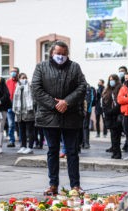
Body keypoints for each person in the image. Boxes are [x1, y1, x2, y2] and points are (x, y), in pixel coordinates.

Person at [32, 40, 87, 196]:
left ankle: (75, 186)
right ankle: (53, 184)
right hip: (49, 116)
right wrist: (54, 104)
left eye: (64, 54)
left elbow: (83, 86)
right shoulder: (41, 67)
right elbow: (36, 88)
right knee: (52, 150)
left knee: (72, 151)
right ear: (52, 53)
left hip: (71, 116)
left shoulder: (74, 67)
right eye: (58, 54)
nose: (61, 57)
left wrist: (66, 102)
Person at [13, 73, 35, 154]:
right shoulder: (17, 87)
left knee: (30, 131)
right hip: (19, 112)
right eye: (22, 78)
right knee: (21, 131)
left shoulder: (30, 86)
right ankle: (23, 146)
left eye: (25, 77)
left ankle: (30, 147)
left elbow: (34, 98)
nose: (24, 79)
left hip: (29, 111)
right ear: (19, 79)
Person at [102, 74, 123, 159]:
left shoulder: (120, 88)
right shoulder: (107, 90)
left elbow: (119, 103)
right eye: (110, 79)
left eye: (113, 79)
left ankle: (117, 153)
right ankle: (115, 152)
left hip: (116, 115)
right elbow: (104, 101)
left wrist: (112, 111)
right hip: (109, 116)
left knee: (116, 135)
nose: (111, 81)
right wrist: (106, 110)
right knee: (113, 135)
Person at [6, 66, 19, 148]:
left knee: (20, 124)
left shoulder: (20, 82)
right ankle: (11, 140)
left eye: (14, 71)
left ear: (17, 73)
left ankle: (22, 140)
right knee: (11, 124)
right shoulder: (7, 82)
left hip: (19, 105)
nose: (13, 73)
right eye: (12, 71)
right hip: (10, 105)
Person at [82, 83, 96, 149]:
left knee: (84, 127)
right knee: (84, 127)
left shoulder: (87, 87)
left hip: (85, 111)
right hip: (86, 110)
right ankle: (84, 143)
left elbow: (88, 100)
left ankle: (85, 143)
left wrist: (85, 110)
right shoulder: (88, 87)